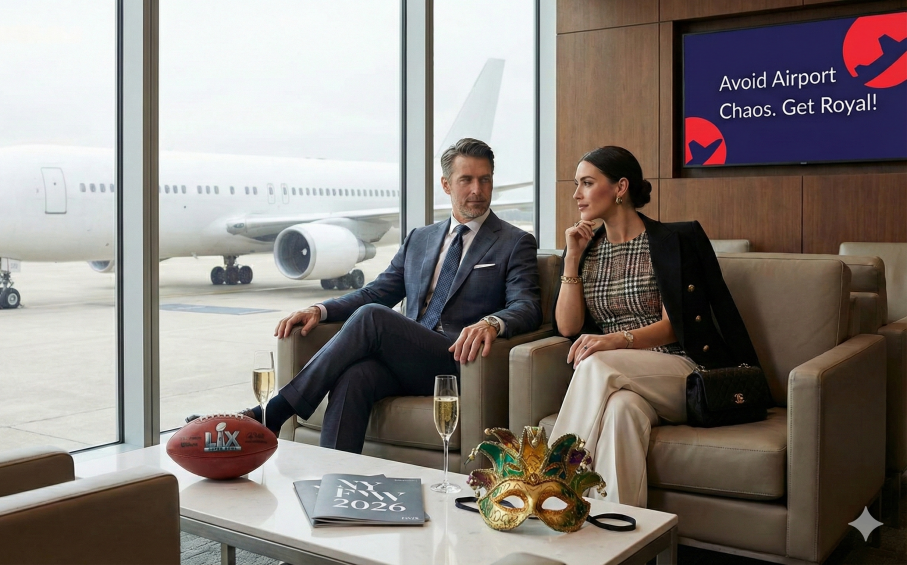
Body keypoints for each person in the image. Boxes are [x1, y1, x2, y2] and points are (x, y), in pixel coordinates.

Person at [243, 138, 542, 453]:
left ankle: (274, 413)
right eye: (466, 180)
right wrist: (322, 310)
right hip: (408, 358)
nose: (477, 190)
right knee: (355, 377)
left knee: (373, 316)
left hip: (459, 359)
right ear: (446, 184)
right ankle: (335, 480)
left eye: (485, 180)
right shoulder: (421, 239)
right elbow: (378, 291)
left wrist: (493, 322)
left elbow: (527, 305)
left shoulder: (514, 241)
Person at [550, 146, 759, 507]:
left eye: (587, 183)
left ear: (620, 187)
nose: (576, 194)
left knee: (596, 363)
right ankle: (621, 537)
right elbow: (568, 327)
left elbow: (674, 327)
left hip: (680, 370)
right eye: (576, 184)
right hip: (624, 380)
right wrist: (571, 258)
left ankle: (553, 484)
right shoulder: (589, 250)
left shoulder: (671, 242)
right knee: (621, 413)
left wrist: (615, 341)